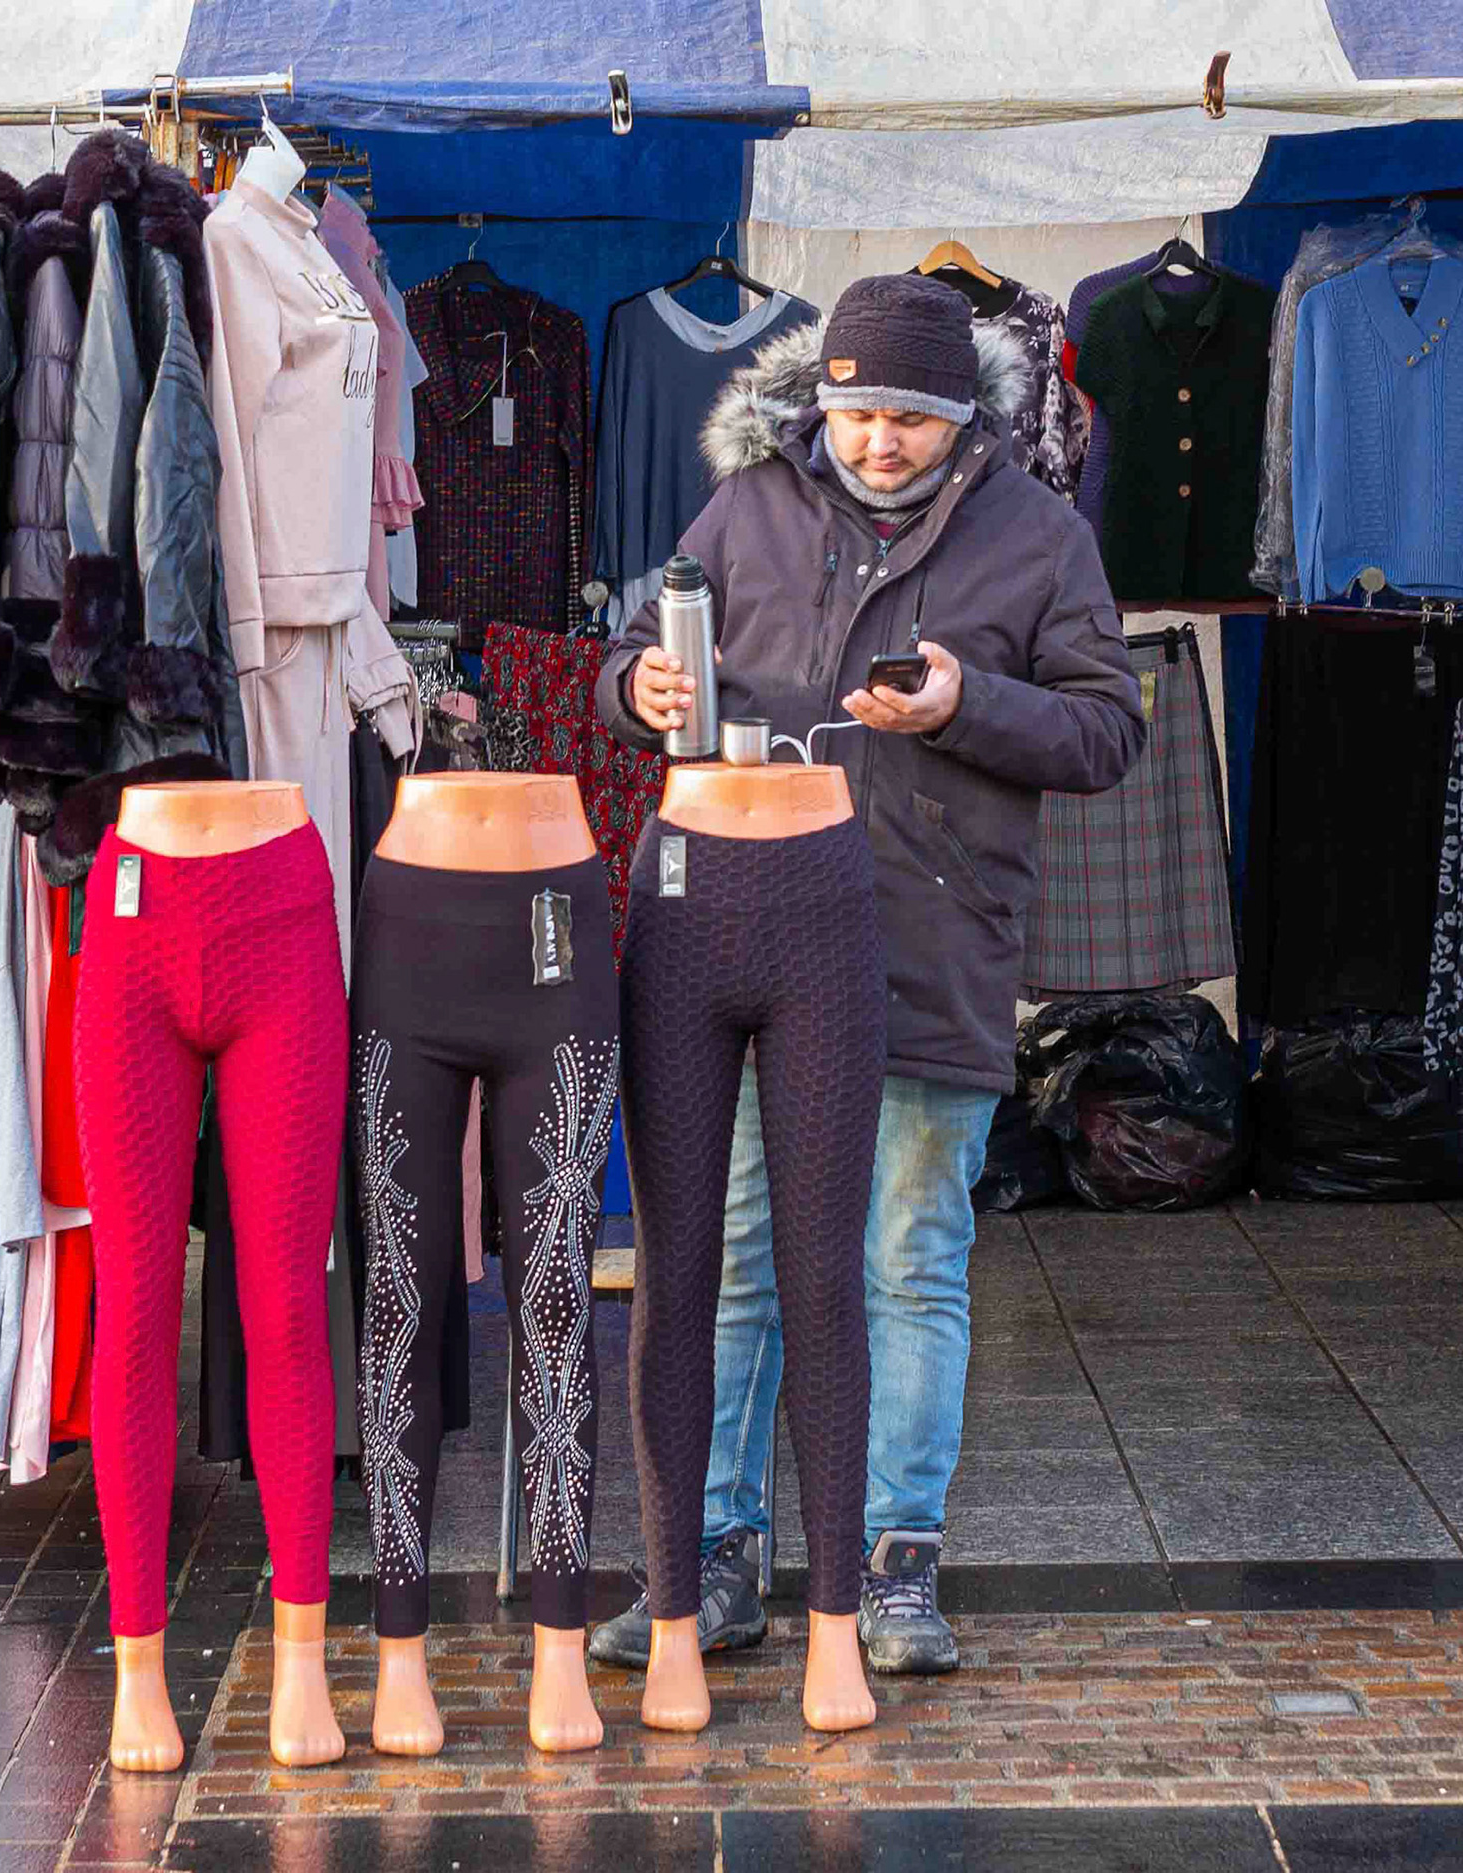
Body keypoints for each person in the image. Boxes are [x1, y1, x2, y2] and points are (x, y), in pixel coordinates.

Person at [591, 273, 1144, 1675]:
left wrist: (971, 706)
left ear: (960, 417)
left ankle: (896, 1566)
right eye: (855, 411)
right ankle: (716, 1556)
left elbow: (1106, 730)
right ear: (819, 401)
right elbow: (645, 650)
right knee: (729, 1256)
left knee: (908, 1258)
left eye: (907, 415)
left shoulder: (1034, 532)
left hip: (928, 939)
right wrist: (631, 690)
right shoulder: (750, 504)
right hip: (743, 935)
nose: (878, 440)